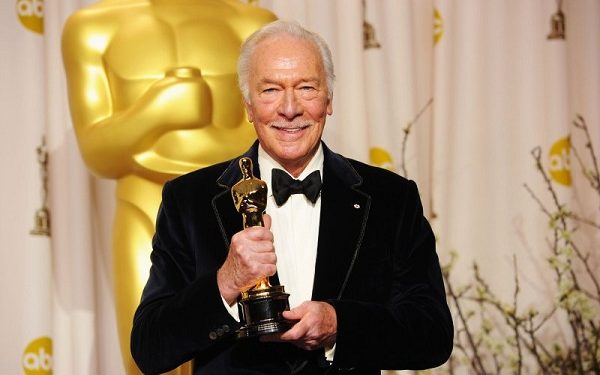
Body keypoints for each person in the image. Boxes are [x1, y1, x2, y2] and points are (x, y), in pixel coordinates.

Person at [131, 20, 453, 374]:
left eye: (306, 88)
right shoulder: (189, 200)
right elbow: (149, 348)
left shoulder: (391, 199)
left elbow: (432, 334)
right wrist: (226, 281)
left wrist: (338, 323)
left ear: (328, 99)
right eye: (270, 90)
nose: (289, 109)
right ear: (248, 106)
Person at [61, 1, 276, 374]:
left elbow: (270, 137)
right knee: (149, 355)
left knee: (251, 355)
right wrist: (157, 111)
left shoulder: (252, 24)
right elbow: (97, 151)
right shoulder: (93, 27)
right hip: (143, 206)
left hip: (232, 214)